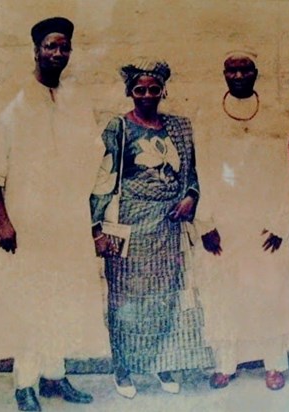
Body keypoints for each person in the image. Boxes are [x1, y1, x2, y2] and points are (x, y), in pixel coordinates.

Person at [0, 17, 109, 411]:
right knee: (29, 299)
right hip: (24, 222)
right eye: (50, 46)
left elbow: (92, 155)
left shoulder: (75, 98)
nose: (58, 53)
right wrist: (3, 220)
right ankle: (25, 383)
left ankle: (55, 375)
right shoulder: (10, 97)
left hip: (65, 221)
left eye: (64, 46)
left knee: (62, 296)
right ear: (35, 49)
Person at [90, 59, 214, 399]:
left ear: (163, 90)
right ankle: (124, 368)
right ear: (130, 92)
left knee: (165, 297)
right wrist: (98, 230)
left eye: (153, 89)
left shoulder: (179, 128)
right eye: (139, 89)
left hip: (168, 225)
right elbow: (101, 180)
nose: (146, 95)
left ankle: (163, 362)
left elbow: (193, 176)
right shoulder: (119, 129)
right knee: (126, 300)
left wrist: (191, 197)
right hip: (127, 225)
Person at [195, 50, 289, 391]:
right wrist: (205, 223)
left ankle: (274, 363)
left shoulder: (277, 116)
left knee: (271, 291)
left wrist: (282, 224)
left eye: (245, 70)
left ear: (256, 72)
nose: (238, 76)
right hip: (224, 224)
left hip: (264, 225)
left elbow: (288, 174)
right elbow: (201, 173)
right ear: (224, 73)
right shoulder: (208, 117)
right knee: (225, 293)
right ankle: (226, 363)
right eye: (232, 70)